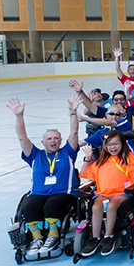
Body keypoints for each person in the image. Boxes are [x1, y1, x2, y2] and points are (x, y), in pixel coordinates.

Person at [8, 96, 80, 256]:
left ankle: (53, 236)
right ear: (43, 142)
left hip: (64, 193)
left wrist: (73, 112)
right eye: (49, 139)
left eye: (56, 138)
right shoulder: (35, 155)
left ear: (60, 141)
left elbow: (74, 132)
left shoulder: (67, 153)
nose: (53, 141)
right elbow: (22, 138)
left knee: (51, 204)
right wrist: (19, 116)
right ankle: (37, 238)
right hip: (39, 193)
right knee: (29, 206)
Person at [78, 131, 134, 256]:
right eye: (109, 145)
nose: (112, 148)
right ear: (105, 146)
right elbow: (84, 173)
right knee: (96, 207)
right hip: (102, 194)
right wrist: (87, 159)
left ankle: (109, 236)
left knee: (112, 206)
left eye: (115, 144)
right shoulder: (101, 161)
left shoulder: (129, 157)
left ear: (122, 144)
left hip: (122, 194)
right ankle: (95, 238)